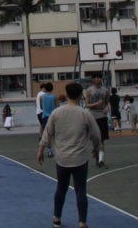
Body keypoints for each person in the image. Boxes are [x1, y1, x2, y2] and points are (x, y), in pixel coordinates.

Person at [38, 82, 101, 228]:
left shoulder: (57, 113)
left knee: (61, 188)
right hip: (80, 158)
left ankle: (56, 218)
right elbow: (96, 134)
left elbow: (47, 133)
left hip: (62, 158)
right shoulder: (85, 113)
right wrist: (96, 148)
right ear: (81, 95)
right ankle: (82, 221)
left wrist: (41, 149)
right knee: (81, 190)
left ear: (66, 95)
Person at [84, 76, 110, 168]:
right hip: (93, 116)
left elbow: (107, 102)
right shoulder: (89, 90)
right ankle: (96, 152)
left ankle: (101, 160)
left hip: (102, 116)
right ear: (94, 81)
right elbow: (87, 105)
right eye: (97, 79)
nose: (99, 80)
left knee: (101, 140)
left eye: (100, 79)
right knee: (96, 140)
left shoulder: (106, 90)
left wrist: (107, 108)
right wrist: (96, 104)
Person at [40, 82, 57, 157]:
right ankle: (57, 149)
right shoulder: (54, 96)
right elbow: (57, 107)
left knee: (47, 135)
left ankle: (50, 151)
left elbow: (41, 107)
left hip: (45, 117)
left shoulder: (42, 97)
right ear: (52, 88)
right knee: (55, 134)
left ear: (45, 88)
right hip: (53, 117)